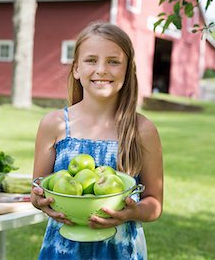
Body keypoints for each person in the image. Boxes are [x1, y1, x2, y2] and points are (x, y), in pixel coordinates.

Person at [31, 21, 163, 259]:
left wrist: (131, 213)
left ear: (127, 70)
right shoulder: (54, 124)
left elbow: (154, 203)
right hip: (62, 250)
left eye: (113, 61)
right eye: (91, 60)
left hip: (120, 251)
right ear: (76, 69)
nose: (101, 69)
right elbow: (37, 189)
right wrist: (41, 201)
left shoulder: (142, 130)